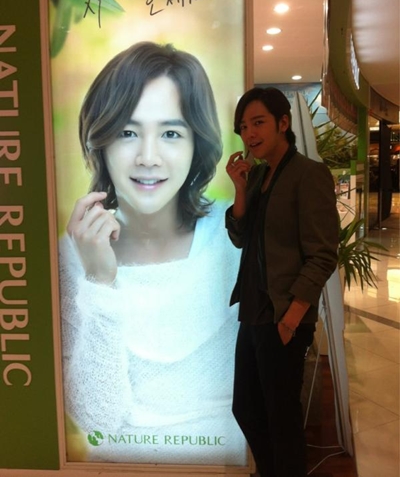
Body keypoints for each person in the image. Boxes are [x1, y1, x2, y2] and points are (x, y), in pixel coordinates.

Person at [59, 42, 246, 465]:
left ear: (197, 144)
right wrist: (99, 281)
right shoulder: (71, 254)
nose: (148, 157)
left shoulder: (233, 237)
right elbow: (96, 419)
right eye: (127, 133)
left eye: (171, 133)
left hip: (223, 465)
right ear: (100, 143)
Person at [225, 87, 339, 477]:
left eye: (258, 122)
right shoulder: (257, 176)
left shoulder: (309, 174)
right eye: (243, 127)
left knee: (282, 418)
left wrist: (292, 319)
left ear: (283, 123)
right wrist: (240, 189)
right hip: (254, 311)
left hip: (283, 315)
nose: (250, 134)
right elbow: (240, 236)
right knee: (246, 407)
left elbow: (323, 255)